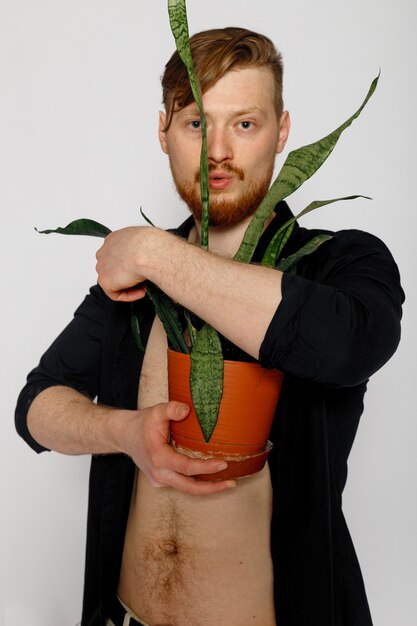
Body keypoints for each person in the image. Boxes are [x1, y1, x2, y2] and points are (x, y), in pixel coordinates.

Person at [15, 27, 404, 626]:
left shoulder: (340, 263)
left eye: (244, 124)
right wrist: (125, 432)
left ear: (283, 133)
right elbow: (36, 406)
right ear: (163, 132)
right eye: (197, 123)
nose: (217, 150)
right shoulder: (133, 285)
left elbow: (347, 344)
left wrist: (156, 254)